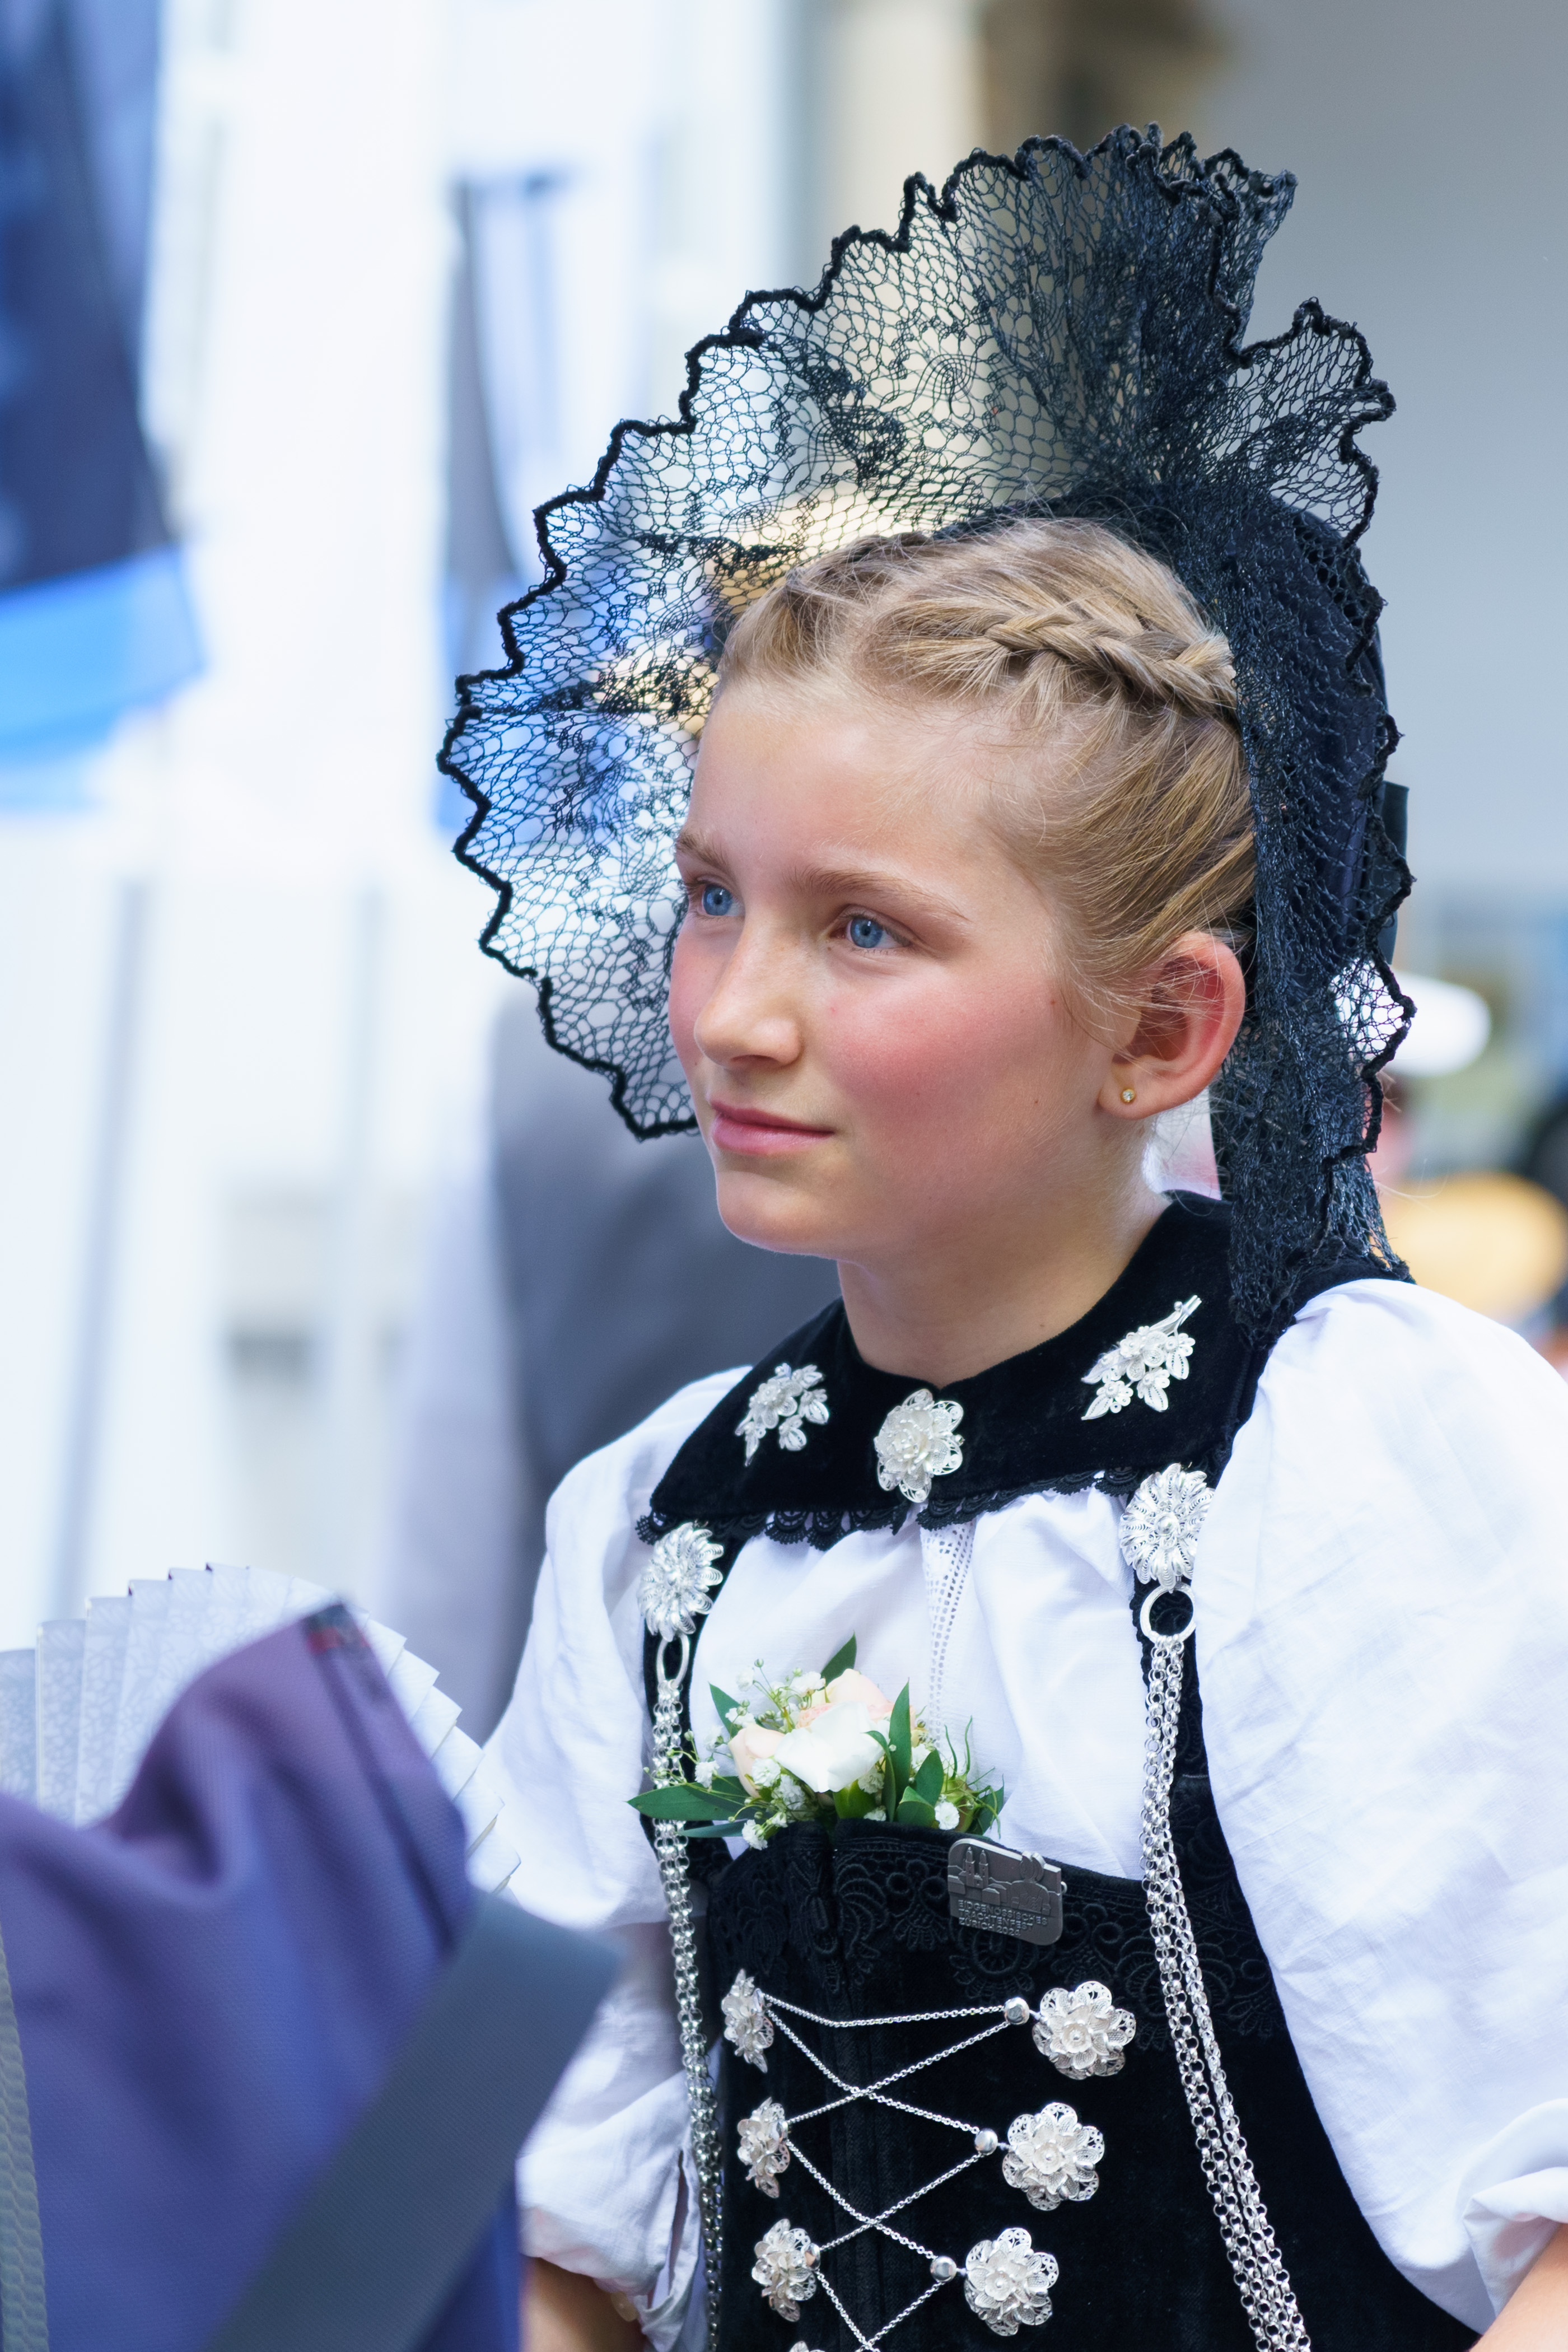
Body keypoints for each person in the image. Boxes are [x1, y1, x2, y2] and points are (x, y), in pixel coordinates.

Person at [442, 130, 1568, 2351]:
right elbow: (563, 2248)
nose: (735, 1009)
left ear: (1160, 1028)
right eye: (711, 895)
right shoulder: (656, 1528)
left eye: (865, 927)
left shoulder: (1354, 1460)